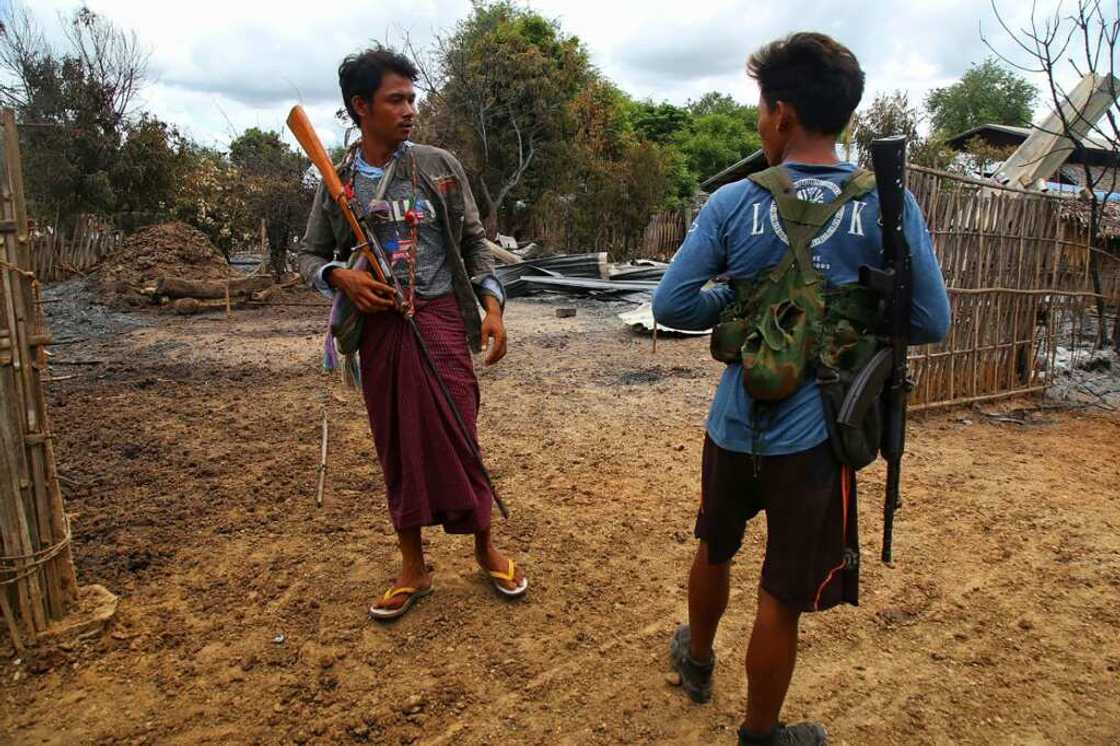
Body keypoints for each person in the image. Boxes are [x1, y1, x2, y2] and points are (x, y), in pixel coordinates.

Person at [652, 32, 950, 745]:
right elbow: (930, 319)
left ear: (782, 114)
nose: (760, 122)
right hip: (818, 431)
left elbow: (671, 306)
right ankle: (760, 735)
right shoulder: (886, 204)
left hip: (733, 421)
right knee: (782, 594)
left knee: (714, 545)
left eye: (761, 108)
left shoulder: (732, 203)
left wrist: (741, 300)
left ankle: (696, 661)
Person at [298, 46, 527, 621]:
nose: (408, 111)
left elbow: (474, 242)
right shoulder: (337, 182)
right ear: (360, 107)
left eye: (411, 99)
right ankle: (413, 566)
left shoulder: (438, 167)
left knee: (458, 433)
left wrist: (492, 305)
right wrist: (342, 278)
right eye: (395, 100)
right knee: (396, 443)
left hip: (443, 322)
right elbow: (308, 255)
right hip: (381, 336)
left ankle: (484, 549)